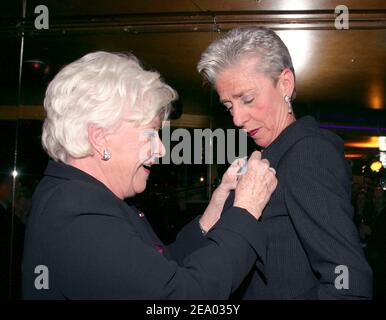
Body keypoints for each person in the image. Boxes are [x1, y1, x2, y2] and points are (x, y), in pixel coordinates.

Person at [22, 51, 278, 299]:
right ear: (100, 138)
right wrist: (246, 210)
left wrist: (216, 209)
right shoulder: (76, 212)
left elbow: (164, 269)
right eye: (150, 133)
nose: (161, 148)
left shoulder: (85, 198)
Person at [197, 26, 372, 299]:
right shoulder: (270, 156)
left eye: (248, 98)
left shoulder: (307, 153)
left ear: (285, 84)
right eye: (229, 106)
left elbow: (348, 282)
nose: (237, 119)